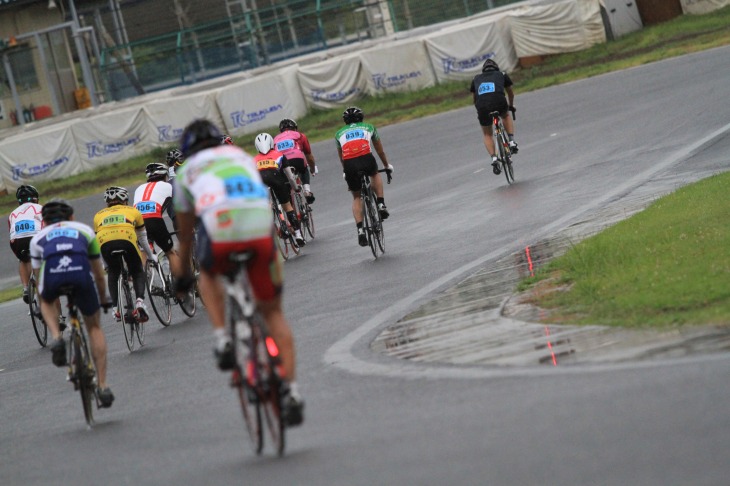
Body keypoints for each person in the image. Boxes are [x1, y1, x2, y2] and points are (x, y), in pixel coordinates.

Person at [173, 119, 304, 426]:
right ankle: (293, 392)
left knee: (207, 271)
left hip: (221, 231)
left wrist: (182, 275)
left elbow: (185, 234)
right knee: (273, 313)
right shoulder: (243, 157)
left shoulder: (186, 171)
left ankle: (222, 338)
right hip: (260, 230)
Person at [29, 199, 115, 407]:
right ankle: (103, 386)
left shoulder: (37, 238)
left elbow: (39, 277)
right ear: (71, 217)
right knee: (94, 328)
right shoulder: (84, 231)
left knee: (45, 299)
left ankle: (57, 336)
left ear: (45, 221)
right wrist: (103, 299)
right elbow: (98, 273)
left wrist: (47, 298)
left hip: (53, 276)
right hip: (80, 277)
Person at [93, 186, 155, 323]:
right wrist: (151, 256)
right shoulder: (133, 211)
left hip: (105, 245)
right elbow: (143, 239)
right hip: (127, 242)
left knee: (113, 273)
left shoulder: (98, 215)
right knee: (137, 271)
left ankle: (115, 309)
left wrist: (105, 264)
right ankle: (139, 302)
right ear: (125, 200)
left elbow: (97, 242)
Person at [335, 106, 393, 247]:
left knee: (356, 197)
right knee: (374, 174)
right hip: (366, 159)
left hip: (349, 164)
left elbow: (342, 157)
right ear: (361, 118)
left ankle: (360, 230)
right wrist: (386, 166)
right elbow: (380, 151)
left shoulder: (338, 134)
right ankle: (380, 203)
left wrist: (345, 171)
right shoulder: (369, 127)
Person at [253, 132, 305, 247]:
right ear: (272, 143)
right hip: (276, 178)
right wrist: (296, 188)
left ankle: (272, 222)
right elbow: (290, 177)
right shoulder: (279, 155)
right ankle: (298, 234)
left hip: (261, 181)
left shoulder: (254, 159)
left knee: (267, 204)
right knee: (287, 206)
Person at [469, 58, 518, 175]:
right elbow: (510, 93)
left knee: (487, 133)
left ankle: (494, 159)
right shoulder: (502, 74)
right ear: (496, 68)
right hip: (499, 102)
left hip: (482, 106)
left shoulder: (476, 79)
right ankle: (511, 141)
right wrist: (511, 106)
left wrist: (480, 110)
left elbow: (475, 99)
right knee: (505, 115)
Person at [133, 163, 182, 275]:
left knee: (143, 251)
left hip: (137, 222)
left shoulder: (139, 188)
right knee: (170, 252)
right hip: (154, 220)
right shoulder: (168, 186)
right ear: (166, 176)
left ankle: (148, 282)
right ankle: (183, 288)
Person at [8, 185, 43, 304]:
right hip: (35, 237)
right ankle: (42, 288)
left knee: (23, 260)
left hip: (17, 241)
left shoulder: (12, 214)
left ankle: (25, 289)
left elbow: (11, 233)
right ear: (34, 198)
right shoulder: (40, 208)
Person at [273, 118, 317, 204]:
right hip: (297, 159)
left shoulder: (275, 139)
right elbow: (309, 157)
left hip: (282, 163)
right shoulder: (300, 135)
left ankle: (290, 210)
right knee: (304, 169)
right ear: (295, 128)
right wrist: (312, 169)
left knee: (285, 184)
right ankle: (307, 191)